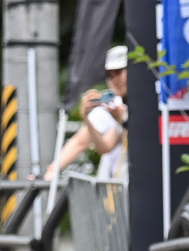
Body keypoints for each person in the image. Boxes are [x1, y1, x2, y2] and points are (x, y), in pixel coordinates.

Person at [44, 45, 128, 180]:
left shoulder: (151, 104)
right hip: (115, 188)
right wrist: (86, 117)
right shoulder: (111, 106)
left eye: (119, 72)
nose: (115, 80)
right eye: (110, 75)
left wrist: (124, 121)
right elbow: (95, 144)